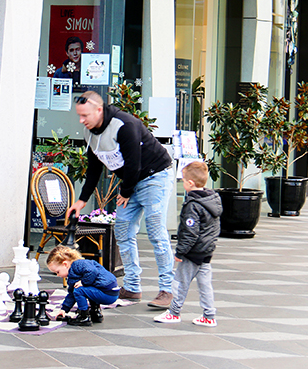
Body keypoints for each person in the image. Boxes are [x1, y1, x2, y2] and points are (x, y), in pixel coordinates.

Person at [66, 90, 175, 309]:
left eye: (85, 115)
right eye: (79, 115)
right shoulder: (90, 133)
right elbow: (94, 169)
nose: (81, 120)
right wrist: (82, 200)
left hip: (155, 176)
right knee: (123, 231)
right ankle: (133, 288)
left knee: (155, 231)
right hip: (131, 182)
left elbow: (134, 163)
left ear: (99, 109)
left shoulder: (124, 125)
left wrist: (125, 192)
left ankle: (167, 290)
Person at [154, 161, 222, 327]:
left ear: (190, 183)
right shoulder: (212, 200)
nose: (182, 183)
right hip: (206, 251)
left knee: (179, 281)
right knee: (205, 284)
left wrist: (180, 252)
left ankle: (174, 312)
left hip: (193, 252)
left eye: (183, 180)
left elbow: (190, 233)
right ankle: (209, 315)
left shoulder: (193, 205)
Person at [47, 245, 119, 326]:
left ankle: (84, 317)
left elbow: (92, 271)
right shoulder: (78, 269)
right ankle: (95, 313)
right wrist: (64, 309)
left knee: (79, 290)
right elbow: (71, 294)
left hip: (107, 293)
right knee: (87, 289)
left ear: (65, 264)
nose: (57, 275)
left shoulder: (77, 265)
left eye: (57, 272)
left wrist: (83, 282)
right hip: (112, 292)